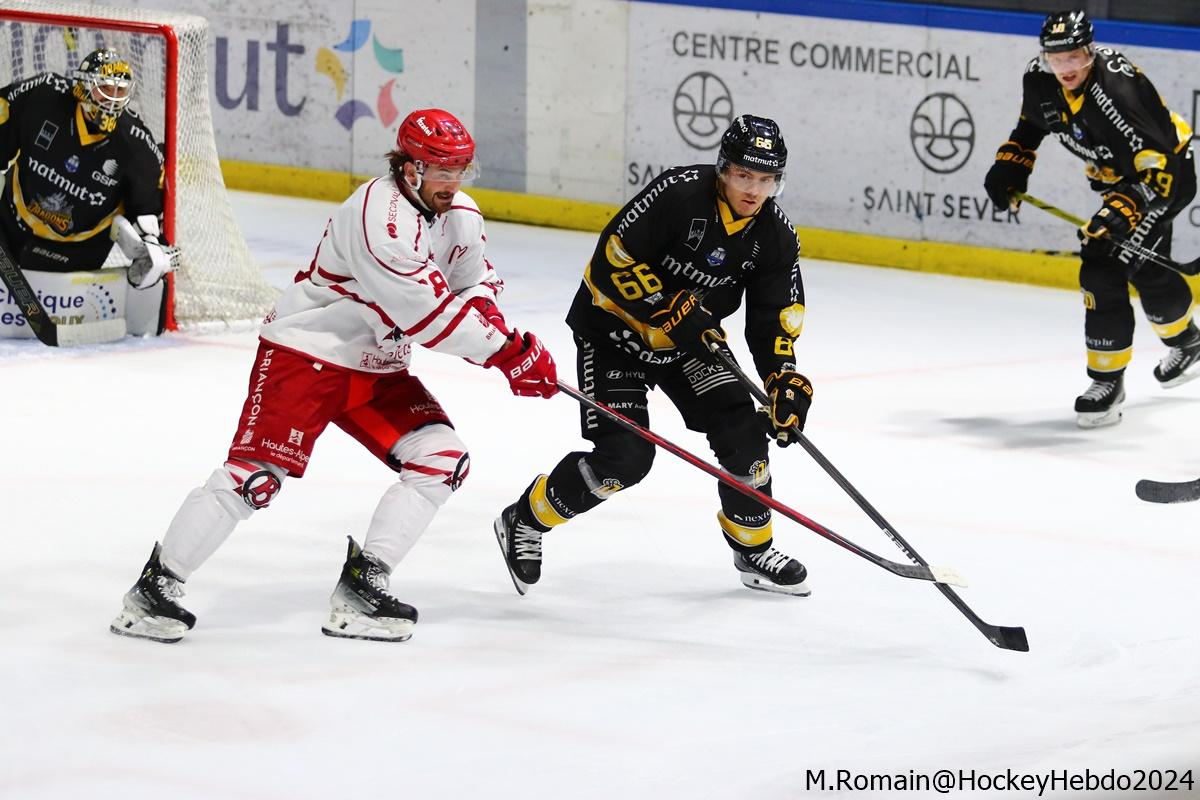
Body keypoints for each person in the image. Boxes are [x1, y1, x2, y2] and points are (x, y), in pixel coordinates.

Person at [110, 108, 558, 644]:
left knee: (441, 459)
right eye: (444, 171)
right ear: (411, 169)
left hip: (379, 366)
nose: (454, 182)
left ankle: (363, 588)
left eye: (461, 170)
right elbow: (428, 316)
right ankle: (154, 590)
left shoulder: (460, 214)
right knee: (256, 478)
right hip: (310, 352)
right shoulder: (379, 217)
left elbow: (475, 282)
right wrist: (506, 353)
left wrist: (495, 325)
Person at [492, 114, 814, 598]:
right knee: (625, 458)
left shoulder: (775, 235)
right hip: (614, 335)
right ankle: (525, 519)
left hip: (688, 346)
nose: (753, 190)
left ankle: (753, 550)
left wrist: (782, 378)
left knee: (745, 436)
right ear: (723, 169)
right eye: (744, 174)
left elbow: (773, 318)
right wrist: (664, 304)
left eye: (766, 179)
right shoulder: (678, 194)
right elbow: (612, 259)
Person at [984, 10, 1200, 428]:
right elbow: (1030, 126)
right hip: (1120, 178)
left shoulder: (1118, 91)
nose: (1066, 67)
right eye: (1056, 58)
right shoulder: (1040, 79)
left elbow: (1161, 170)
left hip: (1165, 176)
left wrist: (1124, 209)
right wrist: (1010, 167)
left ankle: (1107, 382)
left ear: (1091, 51)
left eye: (1075, 56)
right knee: (1145, 264)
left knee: (1102, 263)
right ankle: (1187, 340)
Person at [0, 48, 172, 318]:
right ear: (83, 87)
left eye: (119, 91)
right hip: (12, 225)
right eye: (105, 88)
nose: (112, 99)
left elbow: (147, 210)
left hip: (78, 254)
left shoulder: (135, 144)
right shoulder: (43, 97)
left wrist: (151, 247)